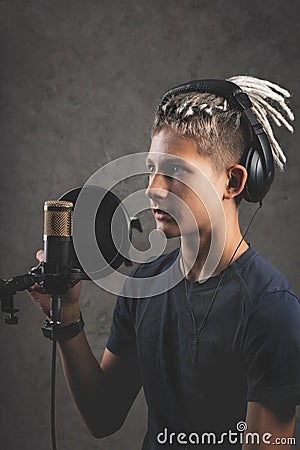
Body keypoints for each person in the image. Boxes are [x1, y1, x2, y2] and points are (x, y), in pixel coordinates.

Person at [27, 75, 300, 449]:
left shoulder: (271, 308)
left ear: (233, 182)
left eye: (176, 172)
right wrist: (67, 318)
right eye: (153, 168)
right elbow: (103, 416)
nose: (153, 188)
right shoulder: (144, 287)